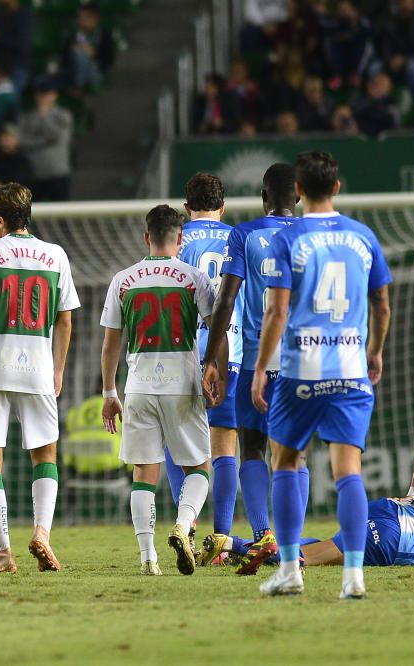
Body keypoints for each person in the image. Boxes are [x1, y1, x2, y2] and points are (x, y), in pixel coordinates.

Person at [252, 150, 392, 599]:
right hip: (351, 368)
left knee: (286, 462)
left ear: (298, 190)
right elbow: (383, 304)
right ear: (336, 187)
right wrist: (375, 351)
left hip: (300, 371)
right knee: (348, 470)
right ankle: (353, 577)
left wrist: (260, 369)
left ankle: (291, 569)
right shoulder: (363, 236)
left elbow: (276, 311)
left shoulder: (288, 239)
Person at [0, 182, 79, 573]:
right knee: (46, 456)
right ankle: (42, 532)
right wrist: (57, 368)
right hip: (38, 369)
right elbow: (65, 319)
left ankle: (3, 554)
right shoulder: (55, 255)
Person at [200, 163, 303, 576]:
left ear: (263, 196)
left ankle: (263, 535)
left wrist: (212, 357)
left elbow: (225, 302)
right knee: (295, 453)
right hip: (306, 359)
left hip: (261, 359)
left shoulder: (245, 234)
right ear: (297, 195)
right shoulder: (314, 235)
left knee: (253, 446)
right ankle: (291, 543)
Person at [101, 204, 215, 576]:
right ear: (180, 239)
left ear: (146, 237)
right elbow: (215, 327)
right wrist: (215, 372)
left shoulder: (123, 279)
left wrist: (108, 392)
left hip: (139, 385)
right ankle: (183, 524)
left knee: (143, 472)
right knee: (199, 466)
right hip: (182, 384)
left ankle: (148, 558)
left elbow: (110, 344)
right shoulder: (193, 277)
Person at [158, 173, 241, 565]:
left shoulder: (176, 241)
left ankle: (186, 526)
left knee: (180, 447)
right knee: (225, 444)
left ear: (186, 207)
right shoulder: (238, 239)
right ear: (223, 208)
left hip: (181, 353)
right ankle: (221, 540)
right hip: (229, 352)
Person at [209, 497, 414, 568]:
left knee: (327, 549)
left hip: (387, 508)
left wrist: (412, 492)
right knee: (308, 557)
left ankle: (235, 551)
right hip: (391, 538)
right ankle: (231, 544)